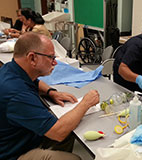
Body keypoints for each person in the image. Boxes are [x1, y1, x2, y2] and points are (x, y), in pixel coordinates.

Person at [0, 32, 100, 160]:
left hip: (20, 136)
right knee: (74, 157)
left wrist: (51, 92)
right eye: (51, 58)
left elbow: (35, 82)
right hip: (13, 153)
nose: (55, 63)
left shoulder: (12, 69)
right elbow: (58, 132)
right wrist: (86, 103)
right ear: (32, 58)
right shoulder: (17, 93)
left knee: (69, 130)